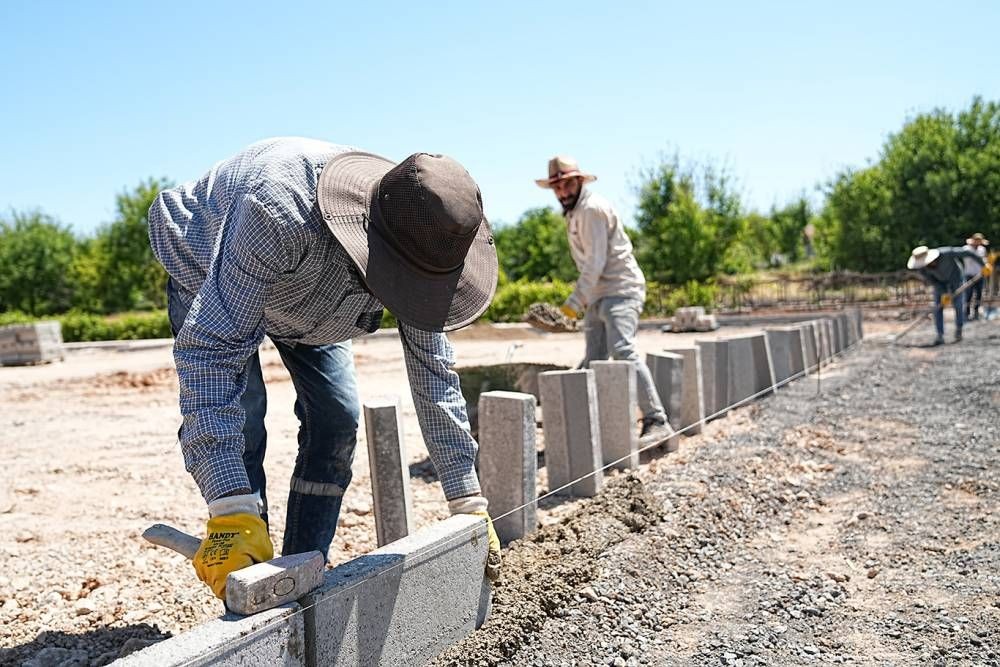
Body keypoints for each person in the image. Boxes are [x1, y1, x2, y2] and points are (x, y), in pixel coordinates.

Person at [148, 137, 502, 601]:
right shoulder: (278, 209)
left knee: (336, 419)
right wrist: (228, 504)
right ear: (370, 244)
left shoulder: (425, 234)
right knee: (245, 421)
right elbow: (211, 351)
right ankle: (248, 564)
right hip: (208, 256)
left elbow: (433, 370)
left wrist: (466, 497)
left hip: (309, 299)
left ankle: (301, 573)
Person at [535, 156, 672, 445]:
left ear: (579, 181)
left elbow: (595, 263)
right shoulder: (574, 213)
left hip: (620, 290)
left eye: (567, 185)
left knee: (622, 349)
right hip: (599, 294)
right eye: (557, 188)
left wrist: (572, 304)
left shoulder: (591, 209)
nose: (562, 192)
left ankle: (656, 420)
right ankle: (573, 419)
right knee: (593, 359)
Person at [907, 245, 989, 345]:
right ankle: (940, 335)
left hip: (956, 280)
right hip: (940, 284)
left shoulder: (946, 253)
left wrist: (984, 265)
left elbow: (968, 253)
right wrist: (943, 293)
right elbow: (933, 281)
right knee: (938, 308)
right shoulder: (922, 269)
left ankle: (959, 329)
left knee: (958, 305)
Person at [962, 233, 990, 321]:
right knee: (968, 294)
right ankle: (966, 313)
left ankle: (976, 313)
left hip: (980, 275)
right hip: (969, 274)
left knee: (979, 294)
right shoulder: (966, 249)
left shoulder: (982, 249)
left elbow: (984, 261)